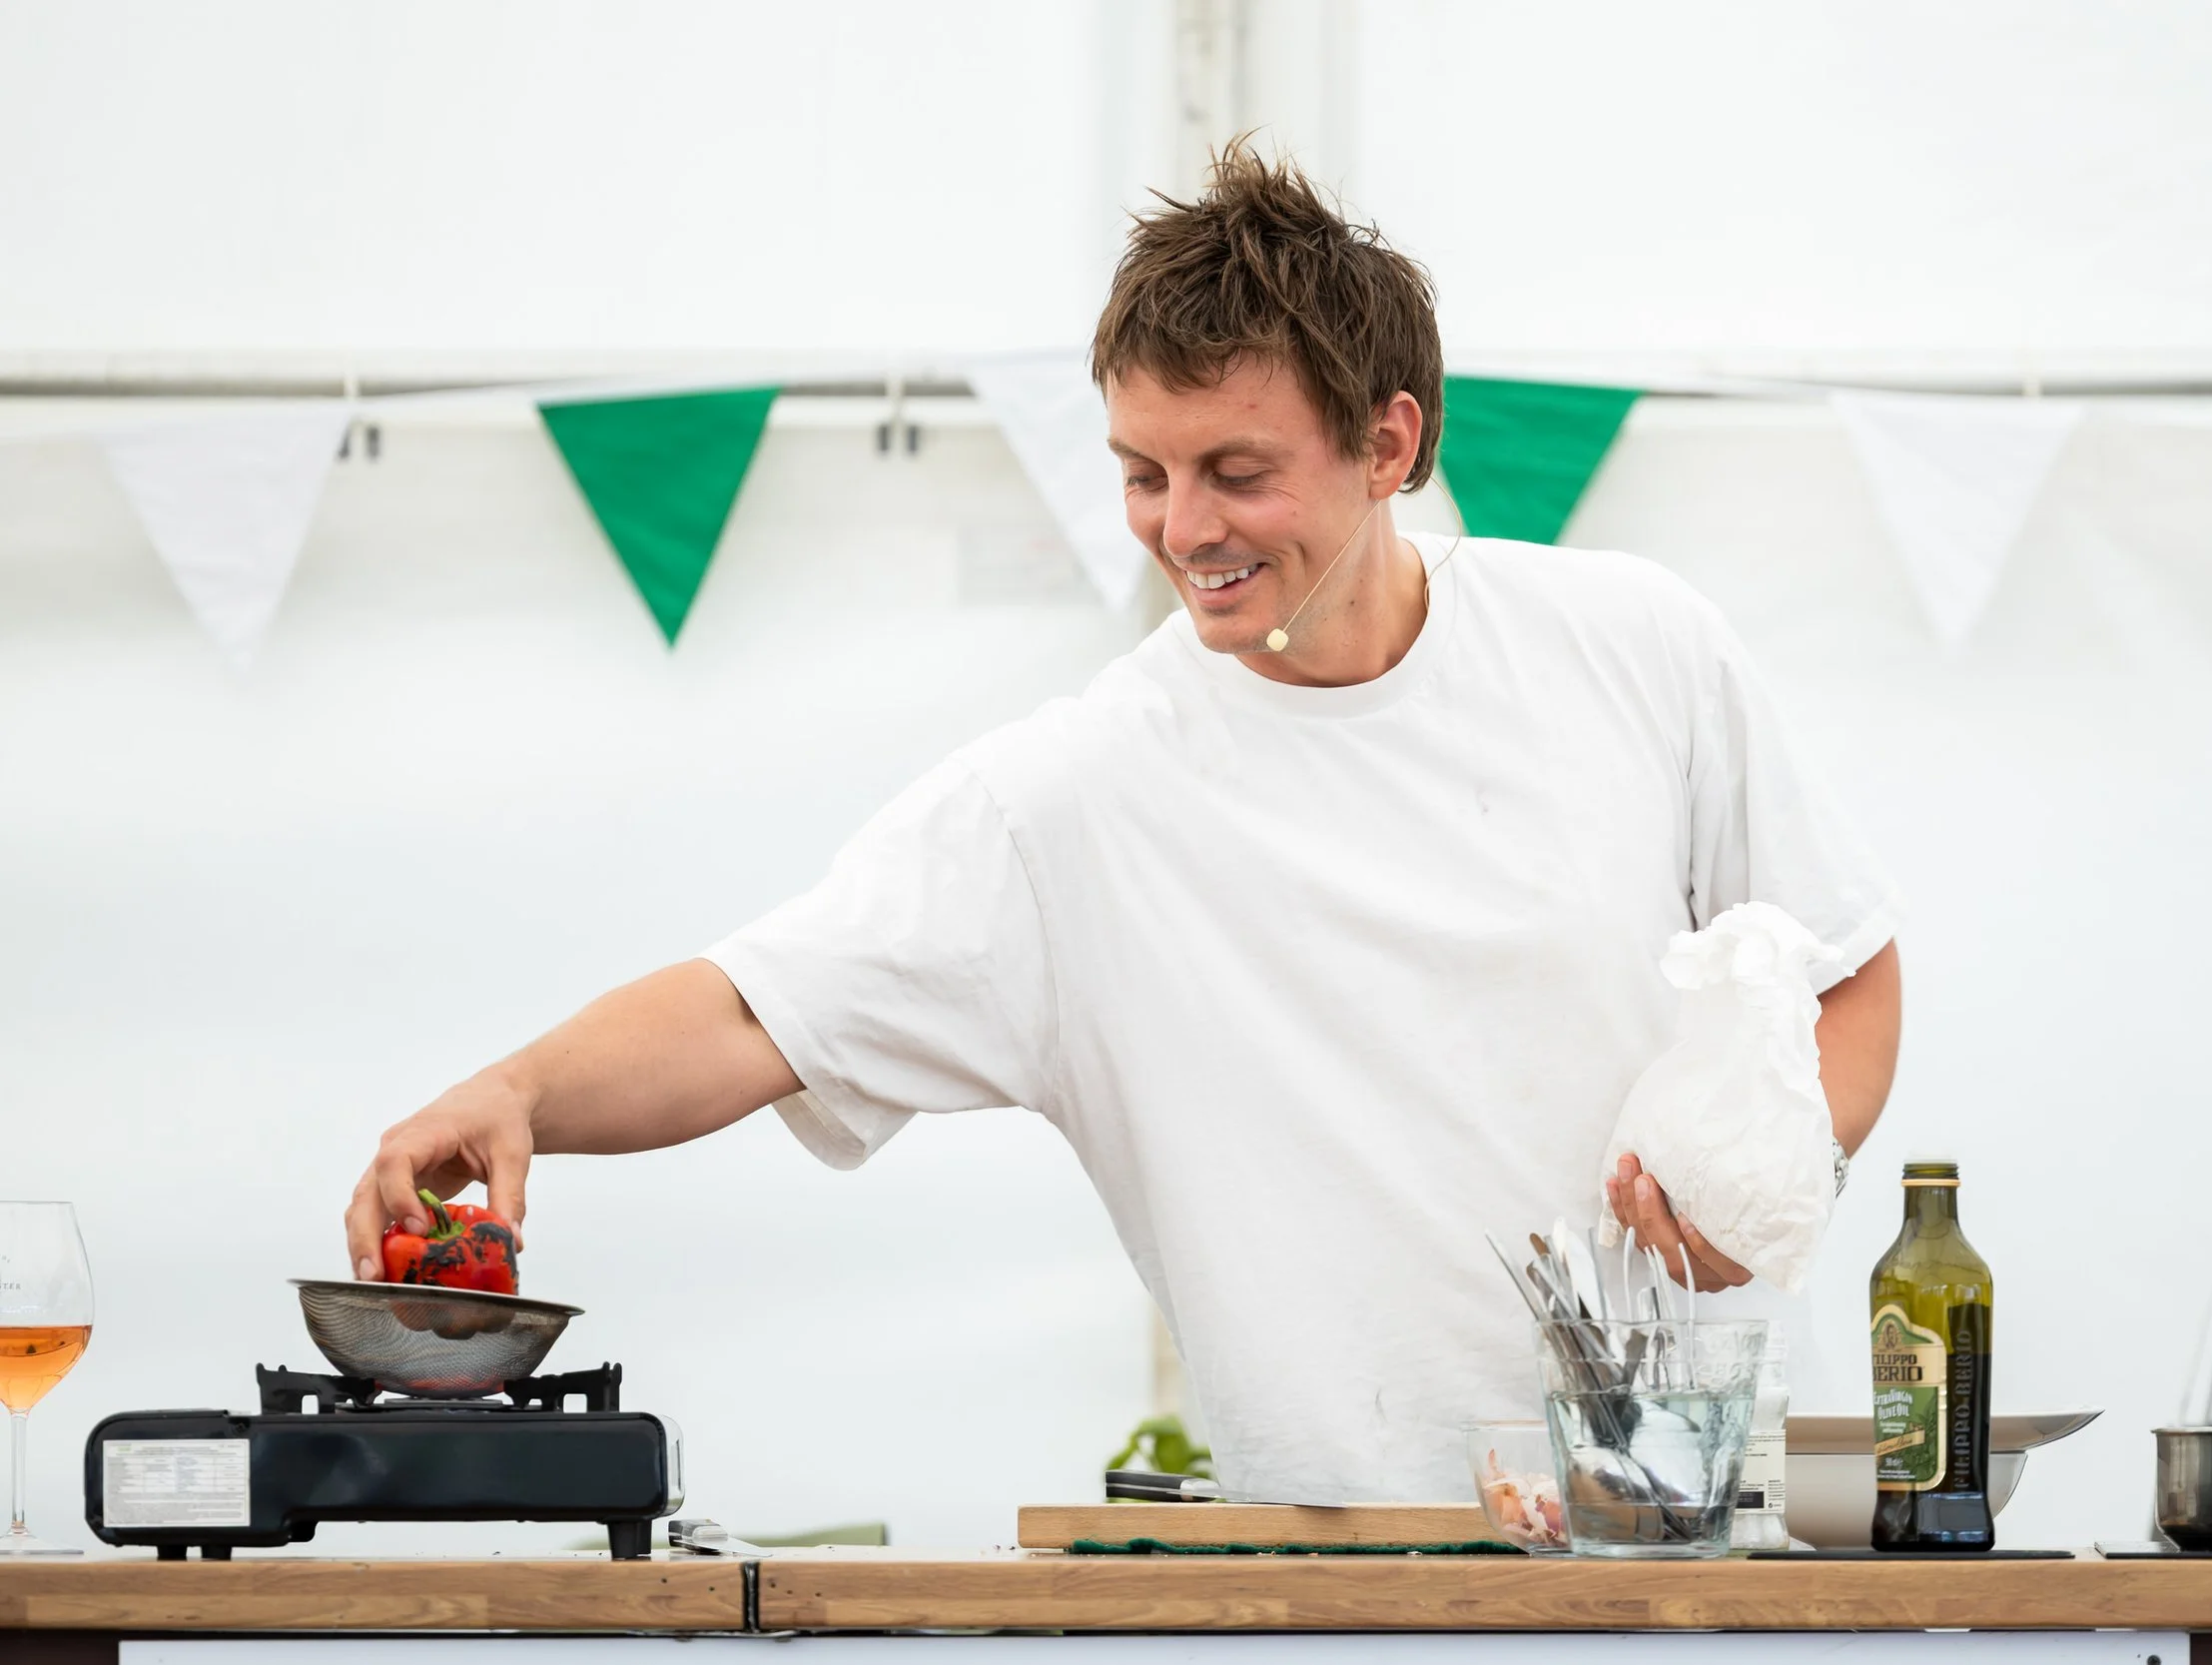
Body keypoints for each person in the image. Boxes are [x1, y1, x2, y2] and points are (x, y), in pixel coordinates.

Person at [344, 143, 1903, 1502]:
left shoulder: (1636, 643)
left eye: (1236, 470)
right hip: (1342, 1570)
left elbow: (1846, 974)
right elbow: (760, 1008)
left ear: (1390, 442)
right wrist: (522, 1091)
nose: (1183, 528)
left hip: (1711, 1527)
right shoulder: (1075, 799)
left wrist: (1759, 1188)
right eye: (1143, 473)